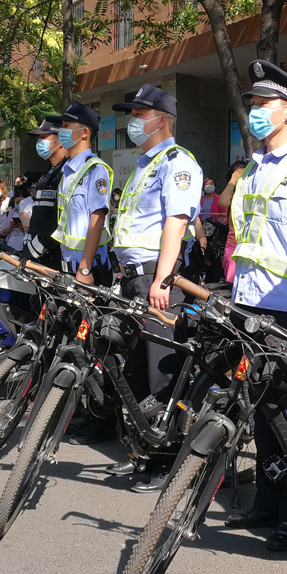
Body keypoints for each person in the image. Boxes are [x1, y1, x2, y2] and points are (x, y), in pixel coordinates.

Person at [221, 60, 287, 551]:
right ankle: (267, 501)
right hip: (250, 305)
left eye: (263, 105)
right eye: (253, 105)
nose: (255, 113)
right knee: (260, 412)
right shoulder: (255, 168)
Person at [107, 84, 203, 492]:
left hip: (155, 280)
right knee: (137, 371)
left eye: (138, 114)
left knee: (163, 371)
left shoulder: (177, 163)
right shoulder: (144, 164)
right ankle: (145, 451)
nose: (132, 121)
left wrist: (162, 279)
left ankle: (169, 461)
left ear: (160, 120)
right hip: (132, 278)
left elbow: (175, 225)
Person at [52, 103, 112, 282]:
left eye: (66, 126)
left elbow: (97, 218)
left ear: (84, 132)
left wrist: (85, 269)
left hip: (89, 270)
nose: (61, 131)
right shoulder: (68, 170)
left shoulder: (94, 169)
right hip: (68, 267)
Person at [21, 116, 69, 268]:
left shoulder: (67, 173)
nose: (40, 143)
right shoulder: (48, 174)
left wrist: (35, 249)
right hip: (41, 258)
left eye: (44, 137)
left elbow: (59, 219)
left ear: (60, 141)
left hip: (56, 258)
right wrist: (29, 239)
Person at [217, 159, 248, 283]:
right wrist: (233, 181)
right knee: (232, 285)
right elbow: (223, 202)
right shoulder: (233, 195)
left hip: (250, 248)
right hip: (233, 247)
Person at [3, 182, 32, 253]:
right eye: (17, 203)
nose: (19, 205)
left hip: (23, 247)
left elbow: (29, 231)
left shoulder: (30, 212)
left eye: (21, 202)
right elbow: (3, 231)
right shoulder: (10, 213)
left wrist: (20, 225)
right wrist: (11, 226)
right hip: (11, 246)